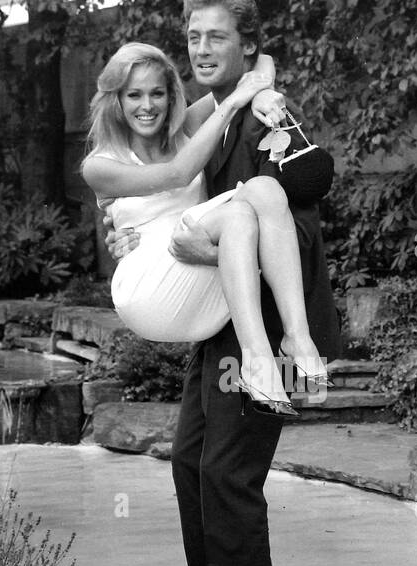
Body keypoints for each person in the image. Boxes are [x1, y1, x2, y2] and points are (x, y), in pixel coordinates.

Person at [105, 0, 341, 566]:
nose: (202, 49)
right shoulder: (215, 121)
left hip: (263, 324)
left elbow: (312, 187)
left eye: (216, 37)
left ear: (247, 46)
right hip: (220, 323)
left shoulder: (265, 114)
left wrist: (278, 111)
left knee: (228, 470)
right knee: (189, 461)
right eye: (194, 37)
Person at [82, 43, 327, 413]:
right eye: (133, 95)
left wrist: (259, 91)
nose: (146, 106)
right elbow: (177, 174)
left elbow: (261, 63)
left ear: (170, 96)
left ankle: (296, 338)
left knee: (264, 191)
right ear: (115, 99)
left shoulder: (185, 130)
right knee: (242, 210)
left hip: (206, 279)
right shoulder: (99, 164)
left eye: (157, 93)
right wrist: (231, 103)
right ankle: (261, 358)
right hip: (149, 289)